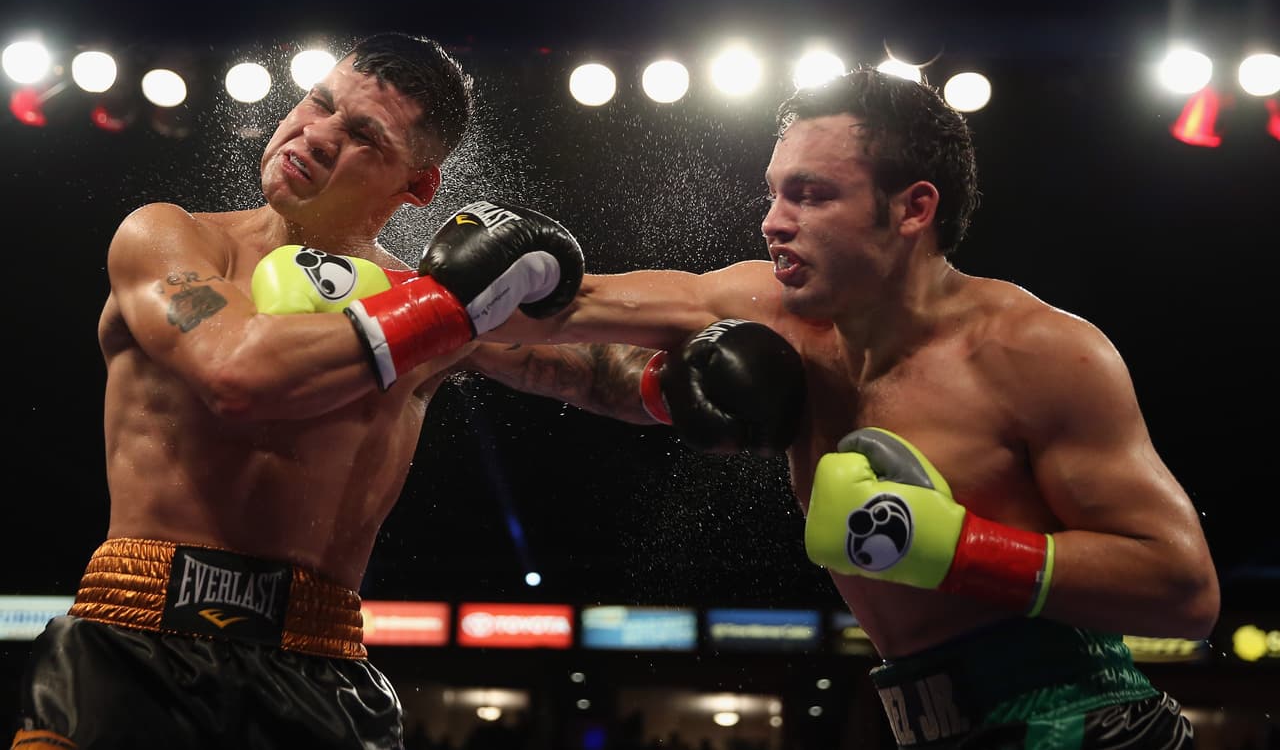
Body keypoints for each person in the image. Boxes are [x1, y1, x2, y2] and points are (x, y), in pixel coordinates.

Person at [464, 67, 1221, 749]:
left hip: (1085, 722)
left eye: (812, 194)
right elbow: (557, 306)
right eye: (774, 190)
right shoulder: (770, 310)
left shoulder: (1036, 353)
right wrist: (400, 299)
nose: (773, 220)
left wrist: (959, 548)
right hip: (922, 722)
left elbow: (1184, 589)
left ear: (913, 208)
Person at [10, 32, 584, 750]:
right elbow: (234, 372)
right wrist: (444, 310)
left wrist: (725, 347)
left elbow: (603, 358)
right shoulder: (173, 240)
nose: (314, 134)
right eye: (318, 102)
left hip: (321, 669)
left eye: (362, 135)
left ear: (418, 186)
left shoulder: (444, 308)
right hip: (132, 643)